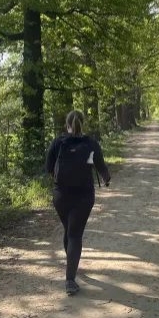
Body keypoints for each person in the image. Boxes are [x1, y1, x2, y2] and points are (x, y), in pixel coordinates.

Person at [45, 110, 111, 295]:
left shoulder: (58, 142)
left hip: (61, 196)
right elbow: (101, 168)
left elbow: (49, 168)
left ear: (66, 124)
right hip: (83, 196)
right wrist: (106, 178)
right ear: (83, 123)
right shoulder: (91, 143)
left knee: (69, 230)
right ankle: (70, 280)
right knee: (74, 234)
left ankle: (71, 267)